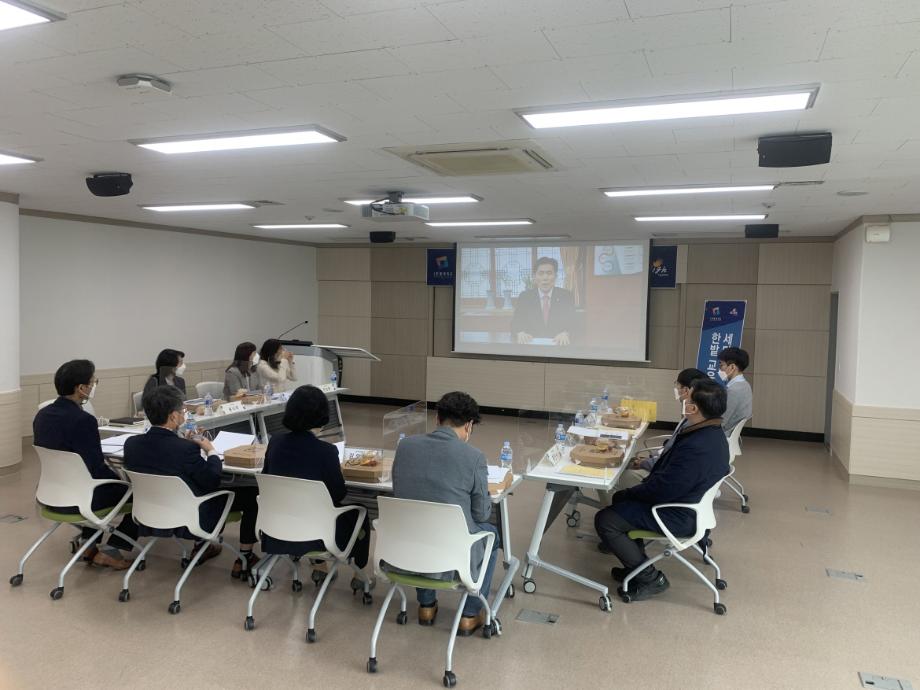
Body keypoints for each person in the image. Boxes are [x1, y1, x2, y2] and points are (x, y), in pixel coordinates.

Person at [594, 379, 730, 601]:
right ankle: (635, 568)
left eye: (687, 397)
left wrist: (630, 493)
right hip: (689, 505)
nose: (683, 399)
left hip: (677, 513)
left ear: (693, 408)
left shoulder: (696, 446)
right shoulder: (711, 434)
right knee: (622, 503)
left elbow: (663, 490)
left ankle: (650, 578)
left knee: (606, 519)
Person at [391, 391, 499, 636]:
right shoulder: (474, 457)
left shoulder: (405, 446)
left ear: (437, 418)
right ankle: (470, 614)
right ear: (469, 425)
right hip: (451, 548)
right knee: (492, 534)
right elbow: (481, 514)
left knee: (422, 523)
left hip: (407, 545)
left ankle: (426, 606)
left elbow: (401, 494)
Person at [124, 385, 261, 576]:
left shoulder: (131, 445)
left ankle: (202, 546)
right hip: (191, 513)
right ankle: (245, 556)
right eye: (182, 411)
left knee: (192, 484)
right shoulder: (184, 450)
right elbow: (211, 480)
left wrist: (187, 444)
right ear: (173, 416)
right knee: (252, 495)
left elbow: (166, 463)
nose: (184, 414)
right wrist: (210, 450)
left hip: (151, 510)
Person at [32, 359, 137, 569]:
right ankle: (117, 547)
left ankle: (91, 547)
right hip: (82, 497)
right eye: (92, 382)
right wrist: (122, 480)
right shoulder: (83, 420)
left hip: (51, 494)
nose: (94, 385)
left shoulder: (42, 416)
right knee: (141, 492)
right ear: (81, 388)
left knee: (92, 482)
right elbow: (96, 468)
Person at [261, 385, 370, 574]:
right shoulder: (326, 451)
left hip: (277, 527)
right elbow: (338, 493)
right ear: (322, 416)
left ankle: (319, 566)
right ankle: (359, 575)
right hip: (317, 532)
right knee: (361, 515)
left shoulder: (275, 442)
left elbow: (266, 477)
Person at [617, 368, 709, 490]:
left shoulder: (690, 425)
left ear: (686, 390)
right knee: (627, 460)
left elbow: (670, 463)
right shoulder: (699, 420)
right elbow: (669, 452)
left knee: (620, 471)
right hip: (665, 465)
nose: (676, 388)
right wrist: (651, 459)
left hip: (664, 479)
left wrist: (644, 463)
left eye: (677, 384)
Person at [510, 256, 578, 346]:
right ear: (534, 277)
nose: (545, 278)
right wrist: (520, 333)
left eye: (549, 273)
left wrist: (566, 333)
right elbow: (515, 323)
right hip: (531, 349)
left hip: (559, 348)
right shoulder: (525, 297)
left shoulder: (566, 296)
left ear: (556, 276)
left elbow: (574, 324)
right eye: (541, 273)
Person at [718, 347, 753, 436]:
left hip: (723, 434)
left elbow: (722, 421)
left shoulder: (734, 390)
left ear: (732, 367)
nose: (720, 370)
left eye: (721, 365)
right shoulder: (745, 385)